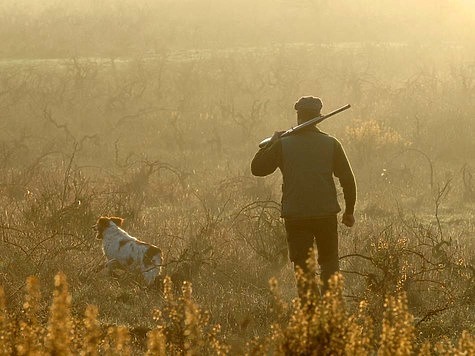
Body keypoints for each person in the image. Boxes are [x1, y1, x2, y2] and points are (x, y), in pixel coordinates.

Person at [251, 96, 356, 296]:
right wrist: (349, 211)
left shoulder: (282, 144)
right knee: (329, 265)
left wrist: (271, 143)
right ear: (319, 116)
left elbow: (257, 169)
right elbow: (347, 179)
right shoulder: (331, 143)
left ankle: (310, 317)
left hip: (296, 216)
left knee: (303, 270)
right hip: (325, 215)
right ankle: (332, 313)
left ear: (298, 116)